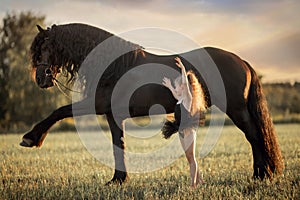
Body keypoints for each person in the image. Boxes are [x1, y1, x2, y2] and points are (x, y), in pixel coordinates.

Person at [162, 57, 206, 187]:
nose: (176, 89)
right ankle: (200, 180)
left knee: (191, 157)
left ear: (182, 87)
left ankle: (193, 185)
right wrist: (170, 86)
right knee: (188, 158)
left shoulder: (188, 98)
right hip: (181, 130)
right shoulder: (180, 99)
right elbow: (176, 95)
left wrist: (182, 68)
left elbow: (186, 85)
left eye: (177, 87)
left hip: (189, 131)